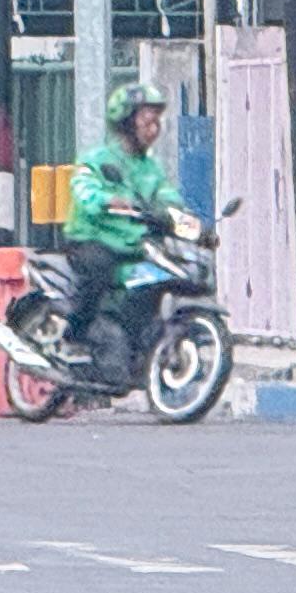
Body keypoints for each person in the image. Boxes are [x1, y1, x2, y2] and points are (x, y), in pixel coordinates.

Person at [59, 81, 178, 374]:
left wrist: (185, 219)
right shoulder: (99, 159)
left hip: (133, 246)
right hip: (93, 240)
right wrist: (106, 200)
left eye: (156, 122)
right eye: (147, 121)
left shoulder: (151, 168)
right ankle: (75, 335)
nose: (154, 129)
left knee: (157, 279)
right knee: (98, 269)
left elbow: (168, 197)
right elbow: (83, 188)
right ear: (127, 123)